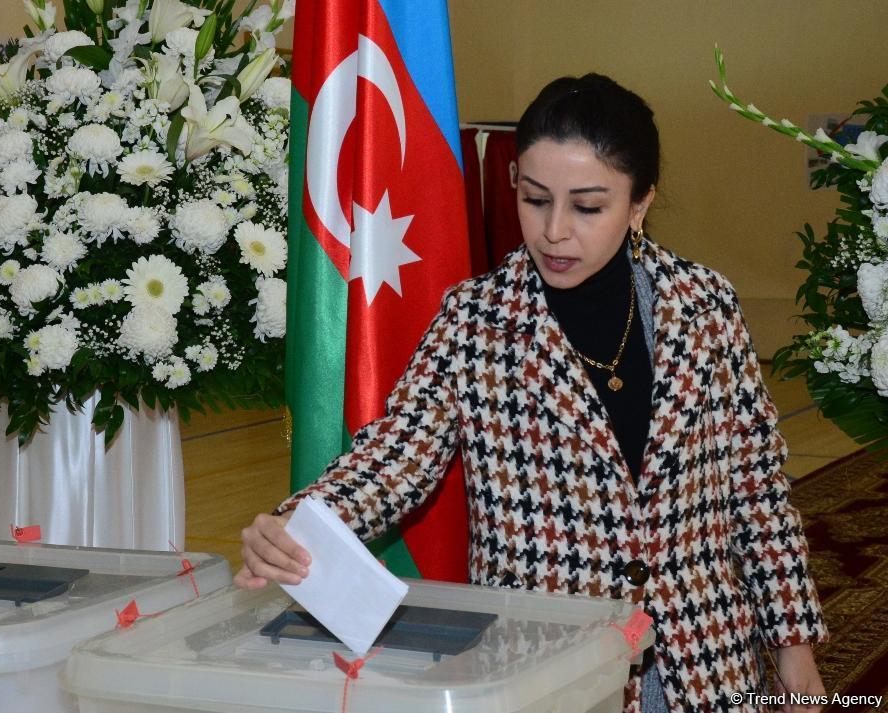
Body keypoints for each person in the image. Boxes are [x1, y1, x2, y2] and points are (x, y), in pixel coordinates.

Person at [236, 73, 828, 713]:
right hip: (548, 666)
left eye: (588, 206)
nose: (553, 231)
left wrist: (795, 657)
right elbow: (396, 454)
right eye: (535, 198)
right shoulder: (476, 320)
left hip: (707, 663)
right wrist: (306, 521)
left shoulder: (705, 305)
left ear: (640, 203)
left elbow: (756, 489)